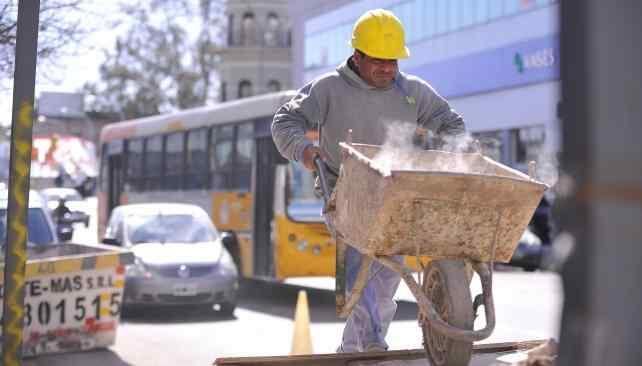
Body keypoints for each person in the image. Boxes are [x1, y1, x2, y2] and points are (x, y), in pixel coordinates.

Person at [272, 9, 466, 353]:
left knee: (387, 274)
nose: (388, 69)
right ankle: (372, 345)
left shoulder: (413, 91)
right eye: (379, 61)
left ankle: (353, 351)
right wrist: (305, 151)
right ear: (357, 56)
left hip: (396, 198)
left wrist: (447, 151)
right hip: (344, 196)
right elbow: (284, 121)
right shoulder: (328, 88)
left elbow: (450, 122)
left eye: (393, 61)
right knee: (365, 271)